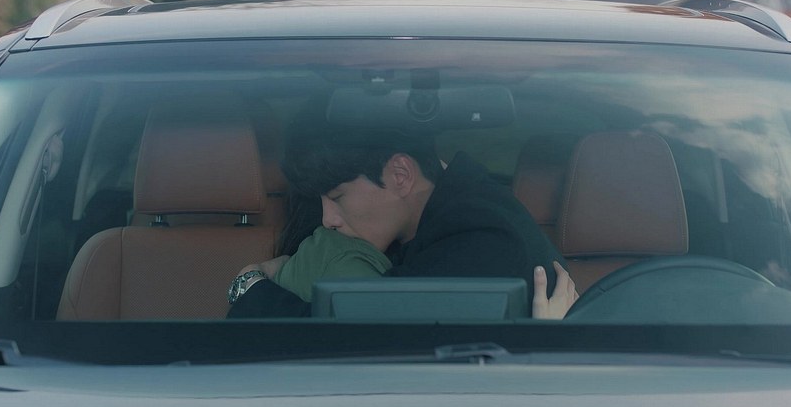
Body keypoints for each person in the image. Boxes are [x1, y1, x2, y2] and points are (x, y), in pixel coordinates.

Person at [228, 125, 577, 319]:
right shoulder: (462, 209)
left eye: (337, 198)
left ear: (400, 174)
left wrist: (250, 283)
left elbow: (345, 341)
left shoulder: (479, 241)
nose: (328, 219)